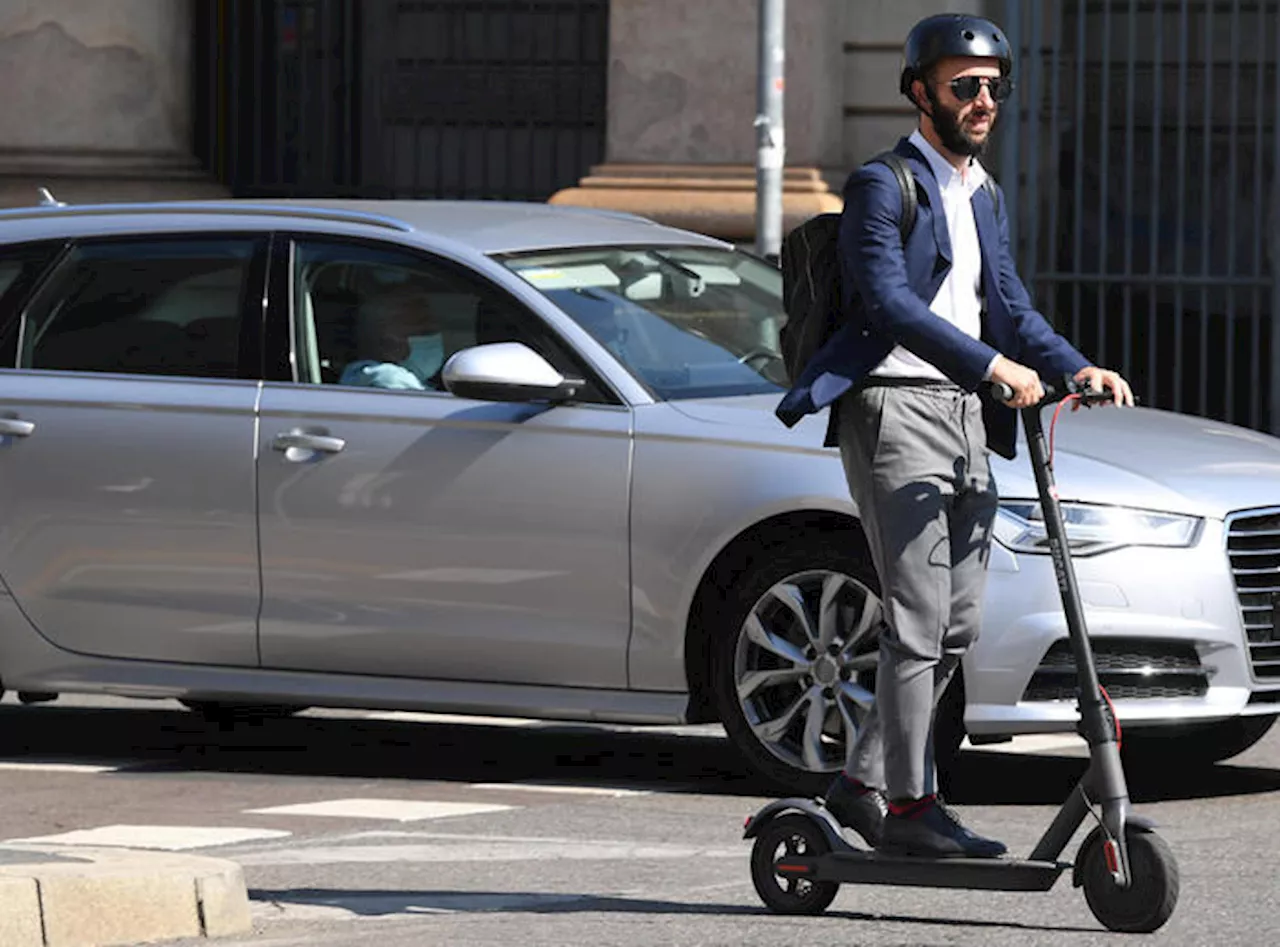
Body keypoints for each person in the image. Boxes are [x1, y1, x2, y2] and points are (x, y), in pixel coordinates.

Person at [775, 12, 1134, 858]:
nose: (982, 100)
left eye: (993, 88)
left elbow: (1008, 305)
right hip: (896, 406)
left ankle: (860, 786)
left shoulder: (984, 192)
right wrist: (992, 366)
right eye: (963, 85)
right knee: (915, 618)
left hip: (970, 416)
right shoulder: (882, 183)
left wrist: (1076, 365)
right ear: (919, 90)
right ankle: (909, 807)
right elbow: (887, 302)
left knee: (956, 626)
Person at [340, 276, 446, 390]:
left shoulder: (418, 380)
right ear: (385, 340)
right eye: (423, 332)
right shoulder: (388, 379)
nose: (432, 341)